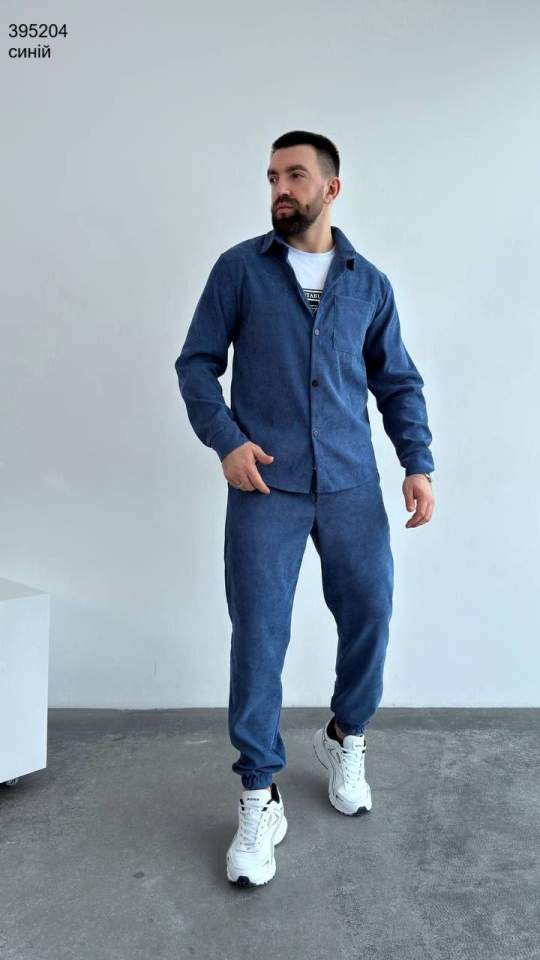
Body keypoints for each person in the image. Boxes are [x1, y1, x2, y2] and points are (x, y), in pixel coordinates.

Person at [174, 130, 436, 888]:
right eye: (271, 177)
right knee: (259, 635)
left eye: (294, 175)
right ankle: (260, 793)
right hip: (266, 484)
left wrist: (417, 463)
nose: (280, 188)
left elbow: (397, 381)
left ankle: (345, 735)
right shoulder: (239, 271)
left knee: (371, 614)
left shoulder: (368, 284)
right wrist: (227, 441)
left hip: (351, 482)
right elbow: (196, 364)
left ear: (331, 187)